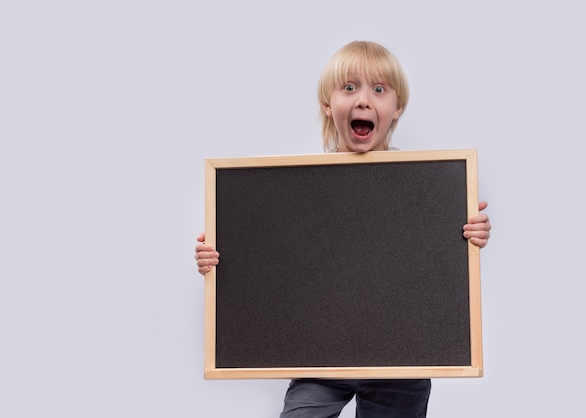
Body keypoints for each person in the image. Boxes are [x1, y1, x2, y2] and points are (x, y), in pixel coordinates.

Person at [194, 41, 491, 418]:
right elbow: (267, 256)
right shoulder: (295, 190)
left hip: (403, 357)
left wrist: (471, 234)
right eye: (349, 88)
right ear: (327, 103)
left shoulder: (426, 189)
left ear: (397, 107)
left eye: (379, 90)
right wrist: (217, 259)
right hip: (322, 354)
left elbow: (441, 260)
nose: (364, 100)